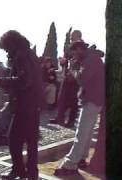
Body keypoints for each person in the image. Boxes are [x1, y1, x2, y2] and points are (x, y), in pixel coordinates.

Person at [0, 30, 43, 180]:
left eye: (6, 49)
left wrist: (0, 81)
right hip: (34, 102)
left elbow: (24, 81)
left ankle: (18, 170)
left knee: (14, 139)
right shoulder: (29, 53)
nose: (7, 53)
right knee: (32, 140)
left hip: (24, 103)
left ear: (10, 44)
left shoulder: (21, 55)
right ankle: (32, 173)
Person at [54, 40, 105, 176]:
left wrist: (73, 68)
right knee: (87, 132)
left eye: (74, 53)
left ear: (79, 49)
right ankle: (81, 158)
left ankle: (70, 164)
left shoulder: (91, 59)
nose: (73, 56)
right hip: (95, 99)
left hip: (91, 99)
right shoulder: (92, 58)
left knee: (81, 133)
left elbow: (82, 78)